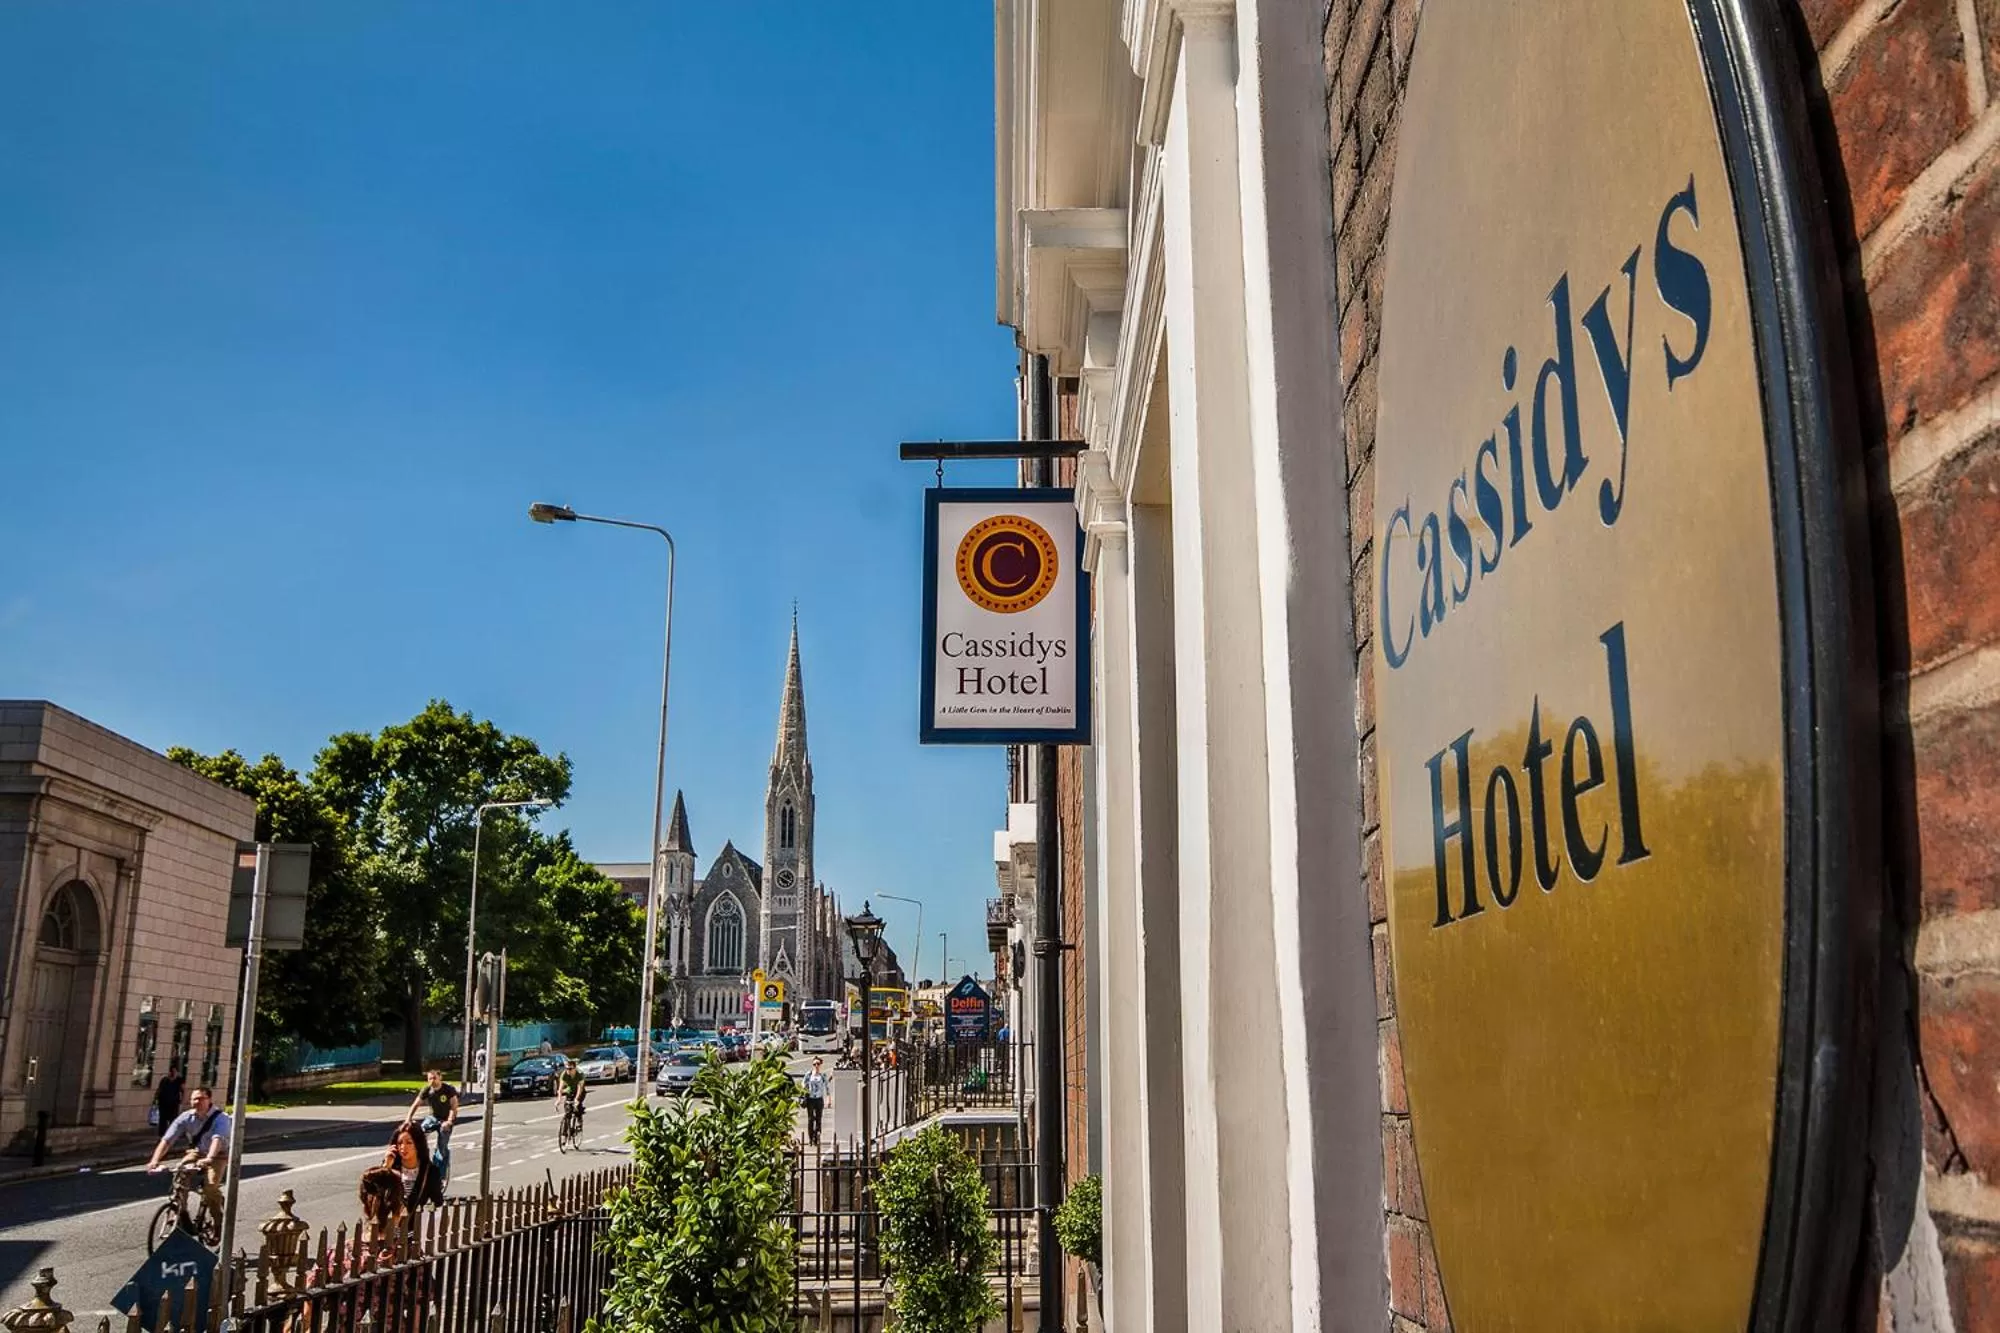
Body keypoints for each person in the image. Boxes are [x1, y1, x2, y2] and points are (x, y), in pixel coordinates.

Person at [146, 1085, 229, 1221]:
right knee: (181, 1173)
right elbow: (167, 1140)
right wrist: (155, 1160)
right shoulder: (186, 1117)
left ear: (209, 1100)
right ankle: (182, 1213)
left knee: (210, 1187)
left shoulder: (221, 1118)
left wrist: (209, 1158)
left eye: (201, 1098)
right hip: (197, 1152)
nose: (196, 1102)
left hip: (217, 1155)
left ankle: (218, 1220)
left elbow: (217, 1139)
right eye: (193, 1099)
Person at [405, 1069, 459, 1185]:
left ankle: (440, 1176)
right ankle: (421, 1158)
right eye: (430, 1078)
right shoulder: (427, 1090)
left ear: (440, 1078)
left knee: (441, 1148)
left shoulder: (448, 1089)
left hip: (445, 1120)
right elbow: (415, 1104)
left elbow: (453, 1107)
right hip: (433, 1118)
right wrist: (408, 1119)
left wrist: (449, 1121)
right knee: (419, 1132)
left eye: (434, 1078)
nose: (432, 1081)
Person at [384, 1119, 442, 1210]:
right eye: (400, 1143)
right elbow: (376, 1194)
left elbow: (437, 1202)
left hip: (418, 1218)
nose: (403, 1147)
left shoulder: (430, 1171)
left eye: (409, 1143)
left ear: (418, 1145)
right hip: (392, 1218)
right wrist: (386, 1167)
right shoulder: (391, 1167)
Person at [801, 1057, 831, 1146]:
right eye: (814, 1064)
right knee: (810, 1119)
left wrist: (828, 1099)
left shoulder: (822, 1076)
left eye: (818, 1064)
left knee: (818, 1119)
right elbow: (803, 1084)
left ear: (820, 1065)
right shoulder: (808, 1074)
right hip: (810, 1099)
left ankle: (817, 1137)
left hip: (819, 1099)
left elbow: (827, 1088)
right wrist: (805, 1088)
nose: (816, 1066)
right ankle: (810, 1138)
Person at [153, 1063, 185, 1130]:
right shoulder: (164, 1080)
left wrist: (181, 1101)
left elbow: (182, 1091)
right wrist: (155, 1099)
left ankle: (171, 1132)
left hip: (174, 1103)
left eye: (174, 1071)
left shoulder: (179, 1080)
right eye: (172, 1071)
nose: (173, 1073)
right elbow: (159, 1090)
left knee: (172, 1119)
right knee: (163, 1119)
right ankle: (162, 1133)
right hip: (163, 1103)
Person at [556, 1056, 586, 1126]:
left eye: (570, 1069)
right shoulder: (564, 1074)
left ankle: (579, 1119)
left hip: (579, 1091)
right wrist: (559, 1099)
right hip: (570, 1090)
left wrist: (576, 1099)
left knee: (577, 1106)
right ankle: (566, 1127)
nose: (568, 1070)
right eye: (566, 1068)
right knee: (568, 1109)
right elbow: (560, 1089)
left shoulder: (580, 1074)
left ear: (574, 1068)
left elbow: (580, 1088)